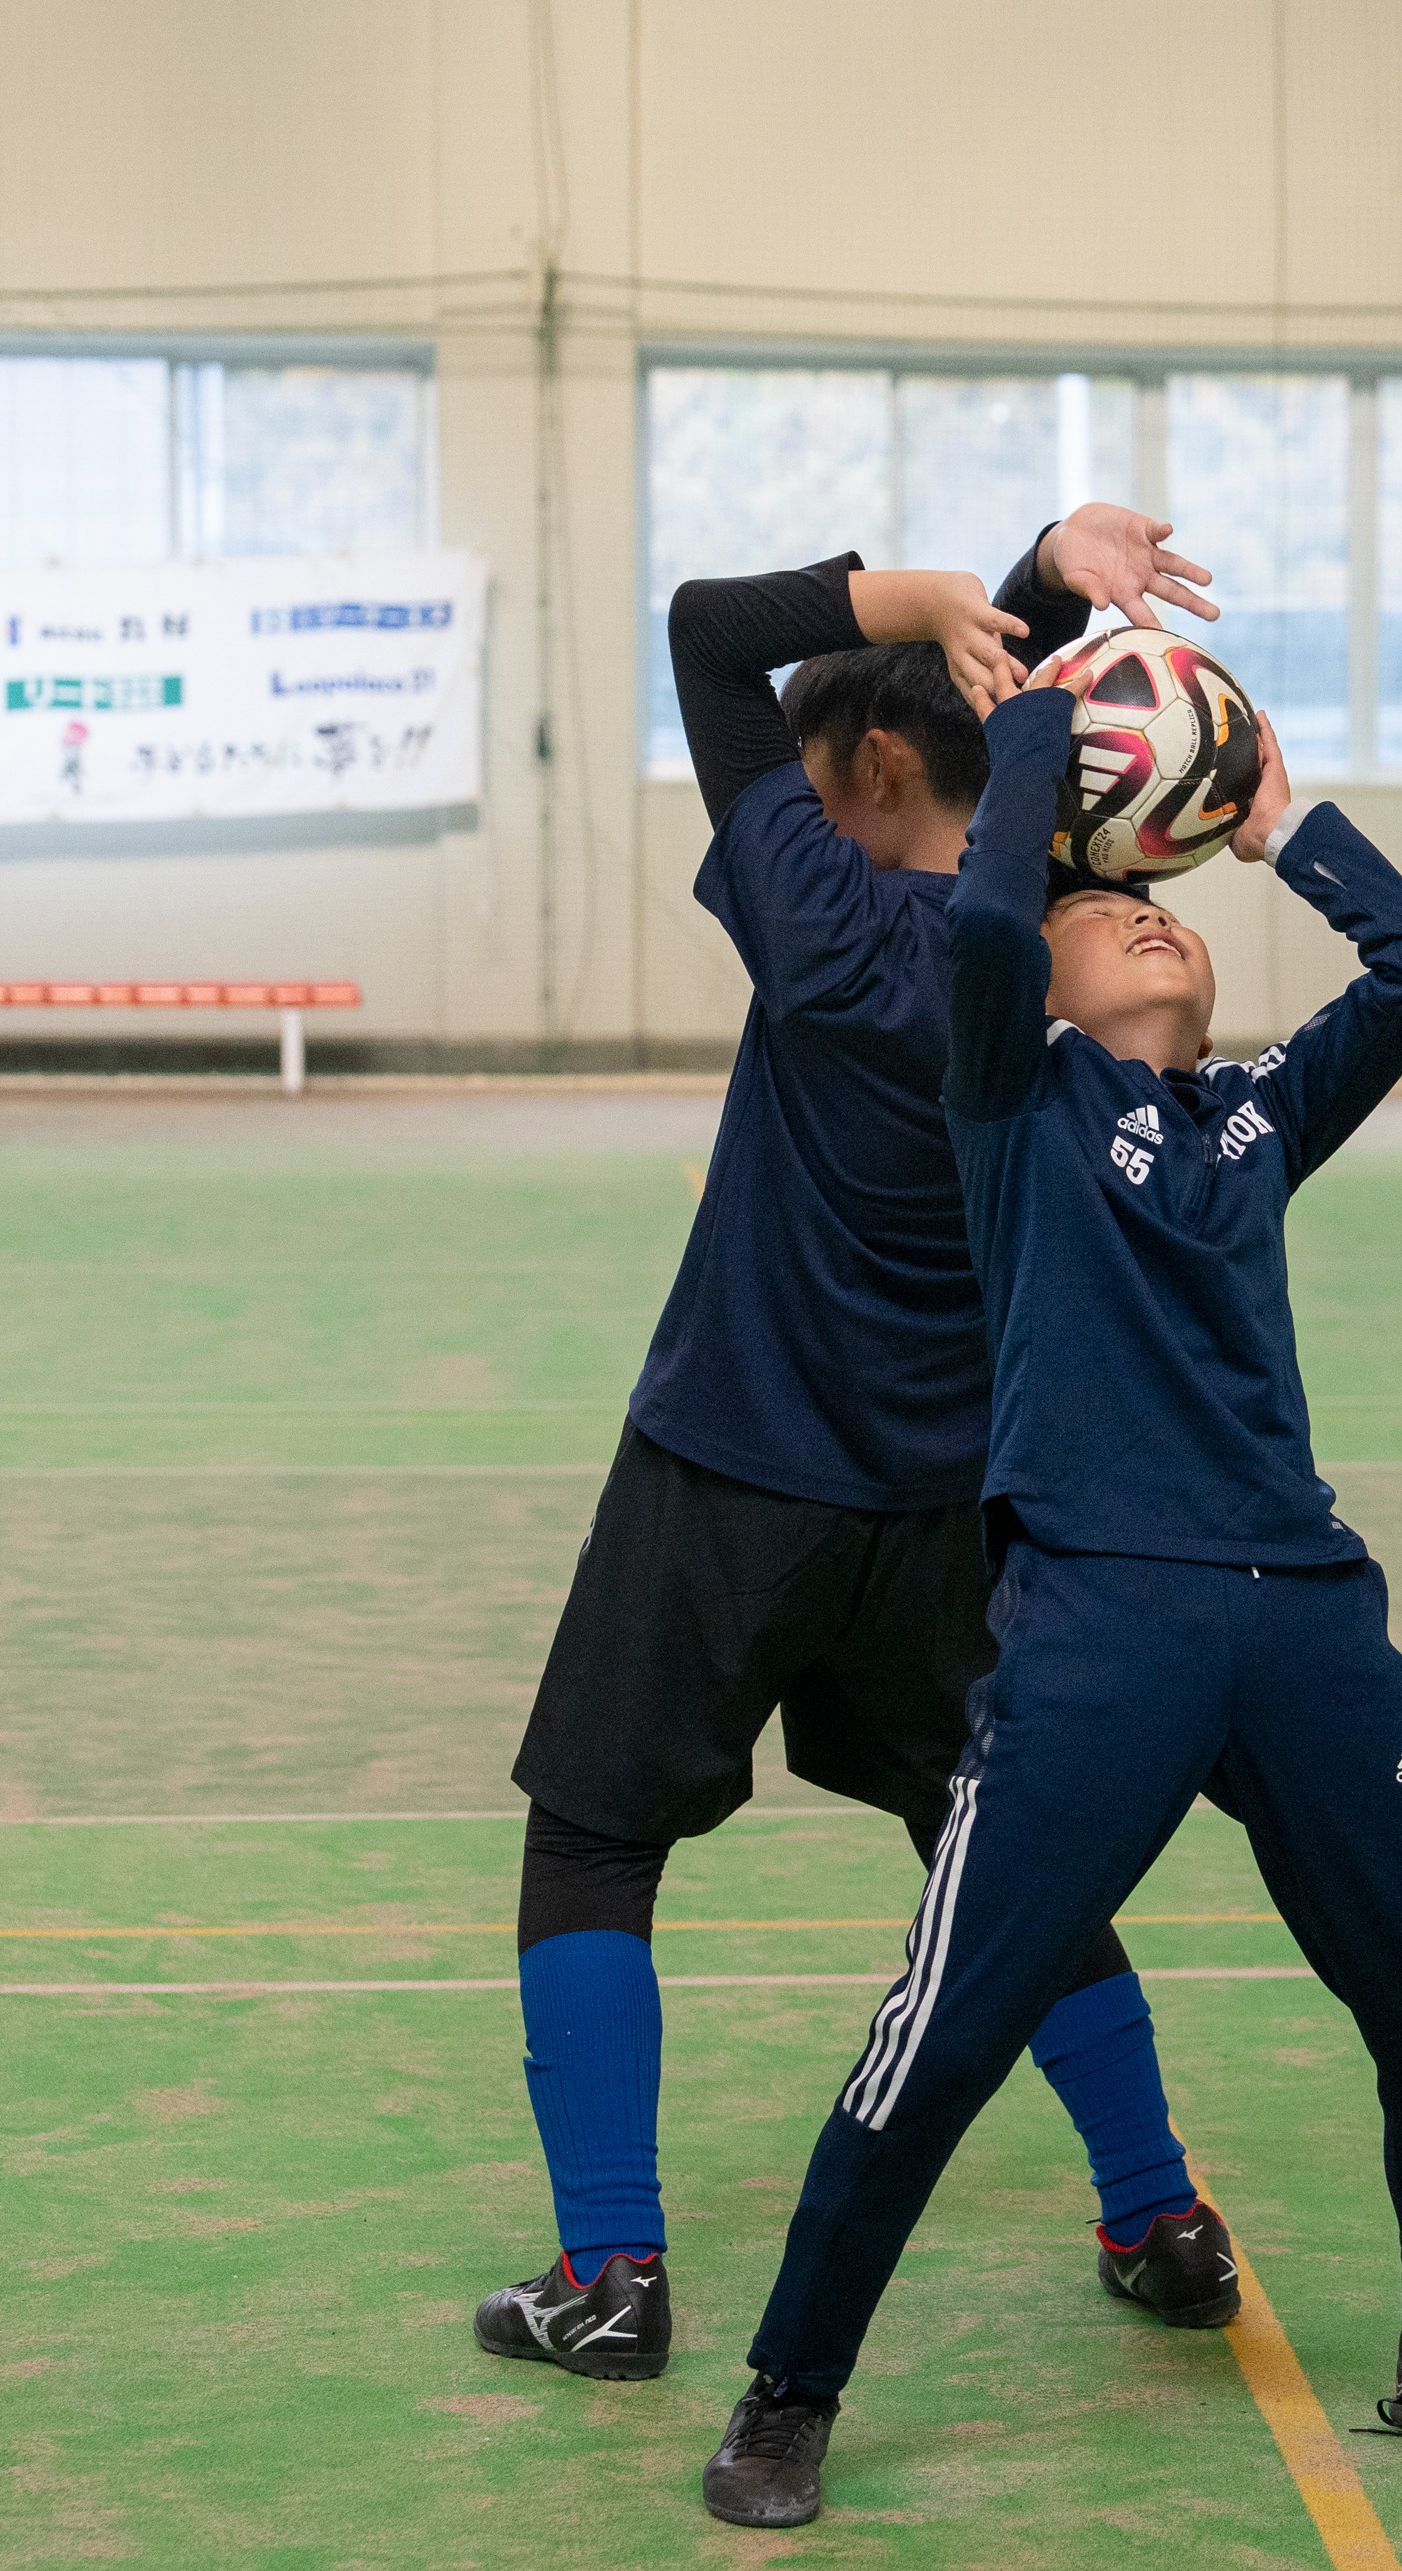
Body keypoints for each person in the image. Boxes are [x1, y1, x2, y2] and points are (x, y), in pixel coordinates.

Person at [694, 677, 1402, 2529]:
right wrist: (1039, 735)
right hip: (1104, 1620)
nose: (1154, 914)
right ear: (1033, 968)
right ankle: (791, 2391)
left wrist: (1281, 828)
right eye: (1112, 909)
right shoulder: (1008, 1098)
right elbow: (984, 921)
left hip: (1310, 1616)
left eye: (1171, 901)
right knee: (946, 2025)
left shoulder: (1257, 1118)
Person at [475, 506, 1254, 2388]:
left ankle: (613, 2273)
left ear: (875, 766)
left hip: (729, 1465)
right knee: (1009, 1862)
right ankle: (1156, 2213)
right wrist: (1043, 583)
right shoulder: (1075, 958)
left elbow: (700, 630)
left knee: (594, 1836)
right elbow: (1009, 762)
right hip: (953, 1508)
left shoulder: (821, 922)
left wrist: (908, 595)